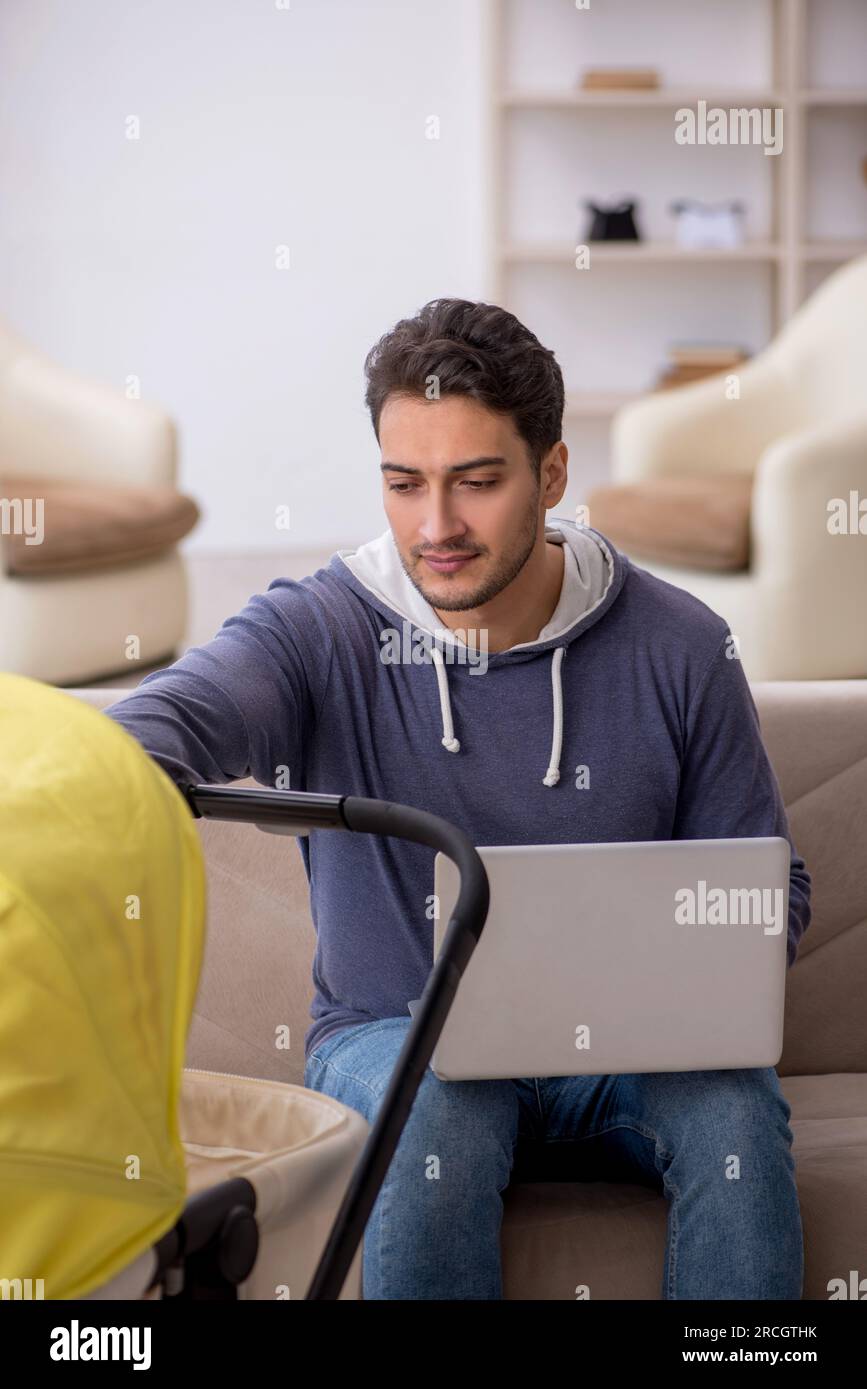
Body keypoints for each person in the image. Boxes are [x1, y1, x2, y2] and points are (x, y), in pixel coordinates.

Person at [105, 298, 811, 1300]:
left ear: (553, 474)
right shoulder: (322, 630)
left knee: (735, 1108)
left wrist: (694, 952)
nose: (435, 527)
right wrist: (92, 771)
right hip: (392, 1038)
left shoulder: (682, 645)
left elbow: (770, 888)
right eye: (405, 484)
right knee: (438, 1099)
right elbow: (170, 719)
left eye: (476, 484)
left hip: (624, 1054)